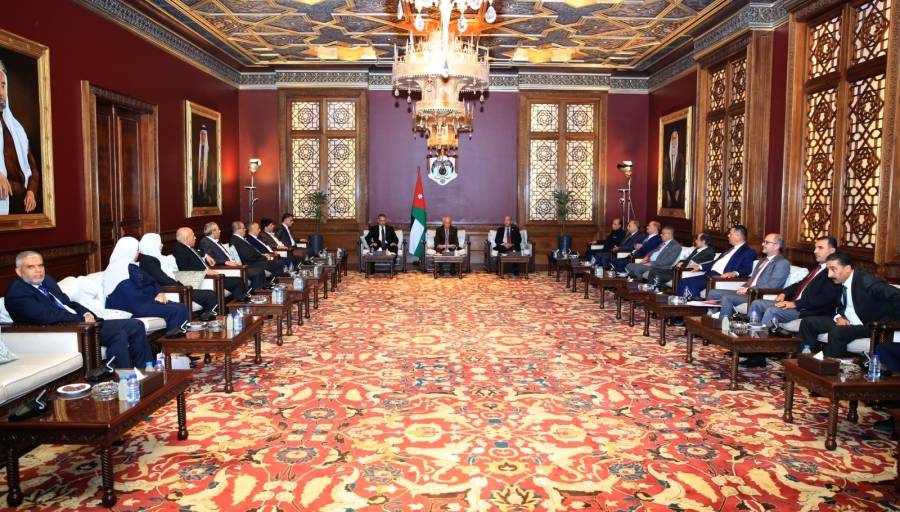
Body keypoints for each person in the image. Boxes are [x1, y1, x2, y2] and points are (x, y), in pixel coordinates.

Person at [5, 250, 153, 369]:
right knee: (118, 334)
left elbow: (68, 303)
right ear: (18, 271)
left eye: (40, 266)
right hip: (63, 331)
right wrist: (82, 319)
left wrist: (87, 313)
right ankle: (124, 379)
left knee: (136, 325)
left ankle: (145, 371)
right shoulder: (17, 292)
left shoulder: (47, 281)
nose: (38, 271)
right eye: (31, 267)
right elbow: (47, 316)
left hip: (79, 323)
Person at [799, 252, 900, 358]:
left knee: (838, 332)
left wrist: (895, 324)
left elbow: (897, 295)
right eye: (828, 270)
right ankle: (804, 360)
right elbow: (838, 306)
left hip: (869, 326)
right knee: (808, 323)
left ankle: (829, 365)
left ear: (847, 268)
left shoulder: (865, 281)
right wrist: (839, 317)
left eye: (833, 269)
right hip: (847, 321)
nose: (829, 275)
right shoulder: (839, 280)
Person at [747, 236, 841, 328]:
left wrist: (795, 304)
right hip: (794, 303)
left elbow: (824, 299)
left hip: (807, 310)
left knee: (772, 311)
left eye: (820, 248)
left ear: (832, 251)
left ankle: (761, 337)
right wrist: (784, 293)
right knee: (757, 303)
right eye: (815, 248)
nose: (815, 251)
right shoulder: (818, 268)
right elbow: (800, 284)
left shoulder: (833, 272)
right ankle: (751, 333)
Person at [103, 237, 189, 332]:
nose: (138, 252)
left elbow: (151, 281)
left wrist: (159, 293)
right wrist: (154, 298)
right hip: (132, 306)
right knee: (177, 310)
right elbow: (132, 294)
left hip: (140, 302)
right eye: (137, 249)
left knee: (179, 307)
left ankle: (177, 338)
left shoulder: (129, 265)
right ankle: (175, 340)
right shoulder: (124, 267)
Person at [708, 233, 791, 319]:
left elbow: (773, 285)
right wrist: (744, 287)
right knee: (713, 293)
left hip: (757, 294)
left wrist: (748, 289)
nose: (763, 244)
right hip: (748, 291)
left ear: (776, 246)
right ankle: (710, 318)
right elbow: (753, 279)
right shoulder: (762, 260)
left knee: (727, 298)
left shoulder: (782, 263)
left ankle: (723, 323)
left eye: (766, 242)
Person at [138, 233, 218, 321]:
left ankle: (208, 320)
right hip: (173, 290)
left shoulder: (156, 258)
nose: (162, 245)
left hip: (178, 287)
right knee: (209, 295)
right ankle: (212, 322)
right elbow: (163, 279)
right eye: (160, 243)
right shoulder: (148, 261)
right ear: (152, 245)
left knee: (210, 294)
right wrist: (180, 286)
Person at [0, 60, 40, 215]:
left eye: (3, 86)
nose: (1, 92)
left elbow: (33, 168)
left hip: (21, 207)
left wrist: (31, 191)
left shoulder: (17, 130)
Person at [676, 225, 757, 298]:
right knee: (684, 281)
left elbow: (747, 269)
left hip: (720, 277)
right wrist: (700, 266)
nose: (728, 236)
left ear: (738, 236)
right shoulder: (730, 249)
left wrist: (734, 273)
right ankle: (682, 305)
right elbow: (715, 262)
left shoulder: (748, 252)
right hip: (710, 274)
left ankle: (695, 306)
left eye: (730, 234)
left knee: (691, 284)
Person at [172, 226, 248, 301]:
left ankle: (238, 302)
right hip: (203, 278)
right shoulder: (179, 250)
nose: (195, 238)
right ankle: (241, 303)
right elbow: (185, 269)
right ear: (186, 238)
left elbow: (199, 252)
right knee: (237, 282)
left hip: (209, 274)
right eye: (193, 236)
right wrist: (204, 271)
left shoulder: (188, 247)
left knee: (237, 281)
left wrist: (206, 256)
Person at [198, 222, 267, 291]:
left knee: (259, 270)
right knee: (257, 272)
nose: (220, 231)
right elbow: (210, 260)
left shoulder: (217, 241)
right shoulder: (205, 241)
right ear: (213, 231)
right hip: (226, 268)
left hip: (234, 265)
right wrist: (225, 262)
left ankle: (258, 292)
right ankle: (255, 293)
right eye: (218, 229)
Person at [646, 231, 715, 286]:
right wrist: (681, 261)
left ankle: (655, 291)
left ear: (703, 241)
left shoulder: (709, 252)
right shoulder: (698, 249)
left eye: (697, 239)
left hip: (685, 273)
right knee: (654, 270)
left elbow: (692, 263)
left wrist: (682, 265)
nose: (695, 241)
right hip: (679, 270)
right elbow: (688, 260)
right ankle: (654, 290)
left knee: (655, 273)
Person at [662, 130, 685, 208]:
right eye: (672, 138)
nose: (673, 140)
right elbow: (664, 174)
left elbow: (682, 174)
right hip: (668, 188)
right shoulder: (666, 156)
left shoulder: (680, 156)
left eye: (675, 138)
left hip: (677, 188)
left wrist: (678, 190)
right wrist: (667, 191)